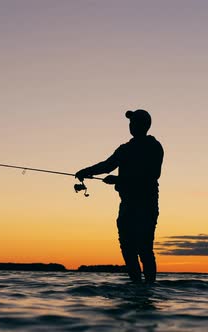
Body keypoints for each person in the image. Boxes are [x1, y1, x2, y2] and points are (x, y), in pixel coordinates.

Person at [75, 109, 164, 283]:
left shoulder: (154, 147)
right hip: (127, 205)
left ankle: (149, 288)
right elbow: (107, 165)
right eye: (130, 123)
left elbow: (152, 175)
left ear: (143, 125)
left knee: (144, 248)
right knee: (128, 249)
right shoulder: (125, 149)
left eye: (133, 123)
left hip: (146, 205)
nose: (130, 126)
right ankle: (137, 287)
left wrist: (119, 179)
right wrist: (86, 172)